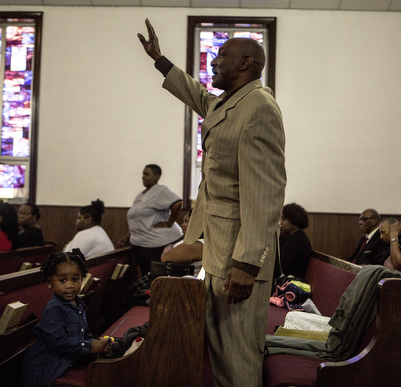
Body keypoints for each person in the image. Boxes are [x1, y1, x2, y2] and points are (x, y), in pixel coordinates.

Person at [138, 19, 286, 387]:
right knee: (221, 352)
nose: (214, 61)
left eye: (222, 55)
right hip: (221, 247)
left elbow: (266, 192)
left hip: (239, 255)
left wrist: (247, 264)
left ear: (247, 62)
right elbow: (197, 95)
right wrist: (161, 60)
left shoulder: (259, 108)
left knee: (237, 356)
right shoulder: (228, 102)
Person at [21, 249, 111, 387]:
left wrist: (96, 342)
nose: (69, 285)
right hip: (47, 368)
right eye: (62, 280)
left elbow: (84, 333)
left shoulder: (78, 304)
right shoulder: (54, 309)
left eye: (75, 279)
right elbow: (59, 341)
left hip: (67, 361)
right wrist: (89, 347)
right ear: (50, 282)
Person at [120, 164, 183, 276]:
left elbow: (177, 203)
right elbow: (137, 218)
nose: (143, 177)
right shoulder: (142, 194)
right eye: (143, 174)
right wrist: (128, 236)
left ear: (156, 177)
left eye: (147, 174)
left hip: (155, 246)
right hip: (142, 245)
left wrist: (169, 223)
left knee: (156, 281)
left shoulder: (160, 190)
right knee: (148, 280)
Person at [274, 203, 312, 281]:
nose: (280, 223)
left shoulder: (297, 240)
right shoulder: (295, 237)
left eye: (283, 219)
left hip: (290, 284)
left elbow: (279, 266)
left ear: (294, 221)